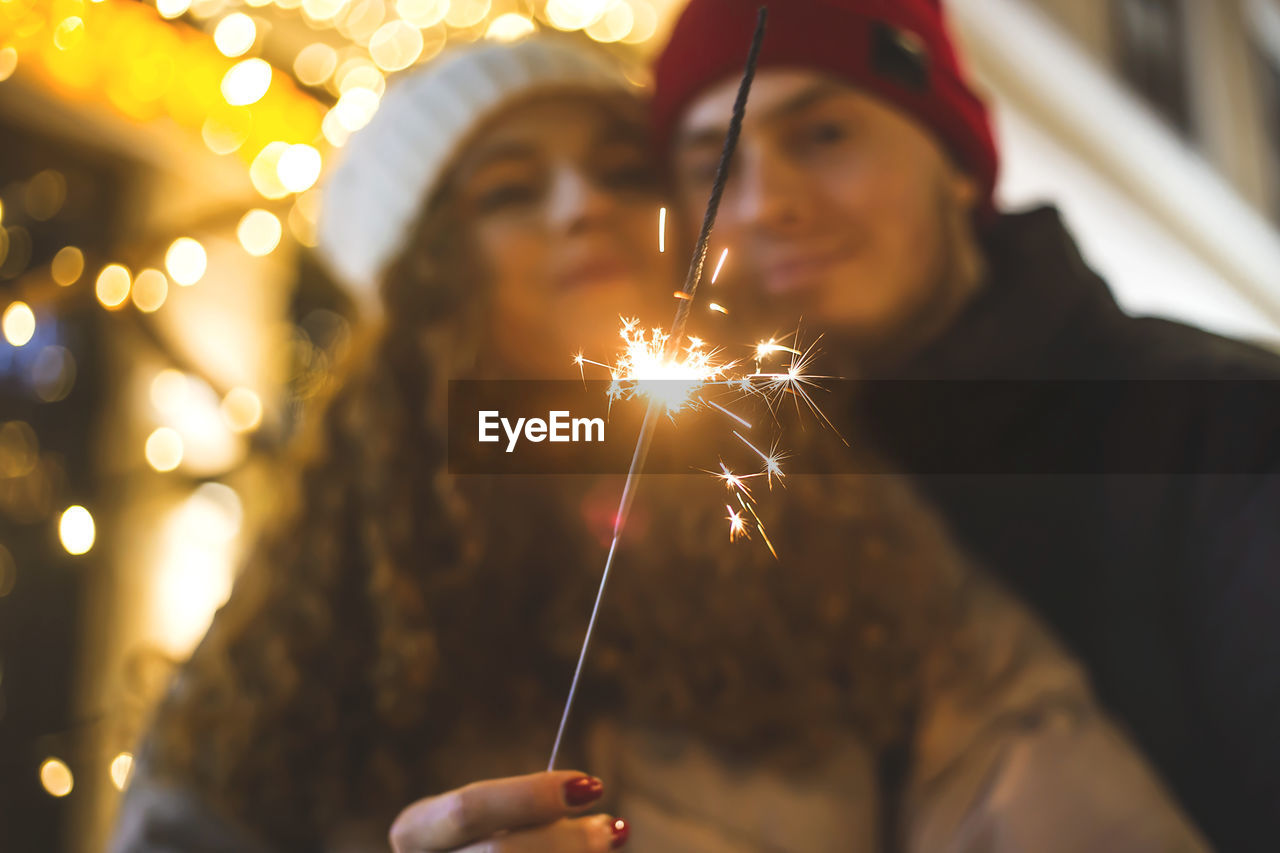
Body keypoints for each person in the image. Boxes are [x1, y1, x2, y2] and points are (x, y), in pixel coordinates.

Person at [109, 33, 1205, 853]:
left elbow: (1053, 793)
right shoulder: (309, 612)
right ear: (421, 279)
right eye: (507, 191)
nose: (586, 204)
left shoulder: (846, 535)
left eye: (621, 171)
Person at [652, 1, 1280, 849]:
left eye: (824, 135)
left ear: (955, 161)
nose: (765, 204)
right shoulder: (717, 508)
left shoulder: (1223, 429)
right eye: (714, 168)